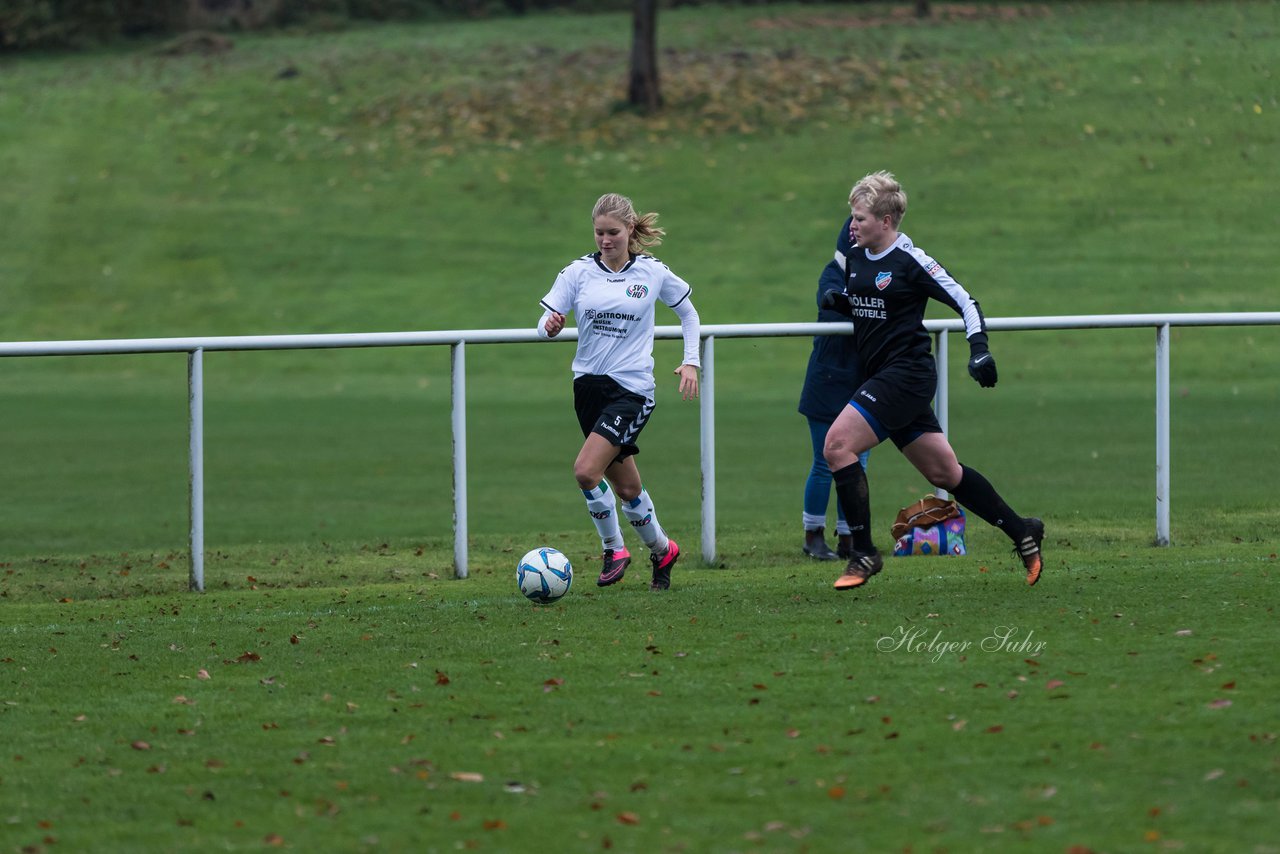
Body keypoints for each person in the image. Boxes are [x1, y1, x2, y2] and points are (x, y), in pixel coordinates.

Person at [820, 171, 1044, 590]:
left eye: (861, 218)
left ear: (886, 221)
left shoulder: (911, 260)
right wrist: (846, 304)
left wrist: (979, 348)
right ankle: (1022, 530)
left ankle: (863, 553)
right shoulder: (855, 255)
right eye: (852, 217)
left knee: (836, 446)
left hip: (906, 376)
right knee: (945, 473)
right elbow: (883, 309)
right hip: (885, 377)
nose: (852, 225)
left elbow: (965, 300)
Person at [536, 193, 701, 591]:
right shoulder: (577, 273)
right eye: (599, 233)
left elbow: (688, 313)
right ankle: (664, 550)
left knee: (585, 471)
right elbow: (543, 322)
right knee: (627, 489)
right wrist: (551, 326)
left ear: (630, 230)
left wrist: (691, 360)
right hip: (587, 388)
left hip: (631, 390)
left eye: (613, 232)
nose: (606, 240)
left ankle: (614, 548)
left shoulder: (652, 272)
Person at [798, 215, 870, 561]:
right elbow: (833, 309)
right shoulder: (833, 274)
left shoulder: (879, 272)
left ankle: (850, 537)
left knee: (859, 463)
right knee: (824, 463)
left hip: (864, 382)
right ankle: (813, 535)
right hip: (827, 382)